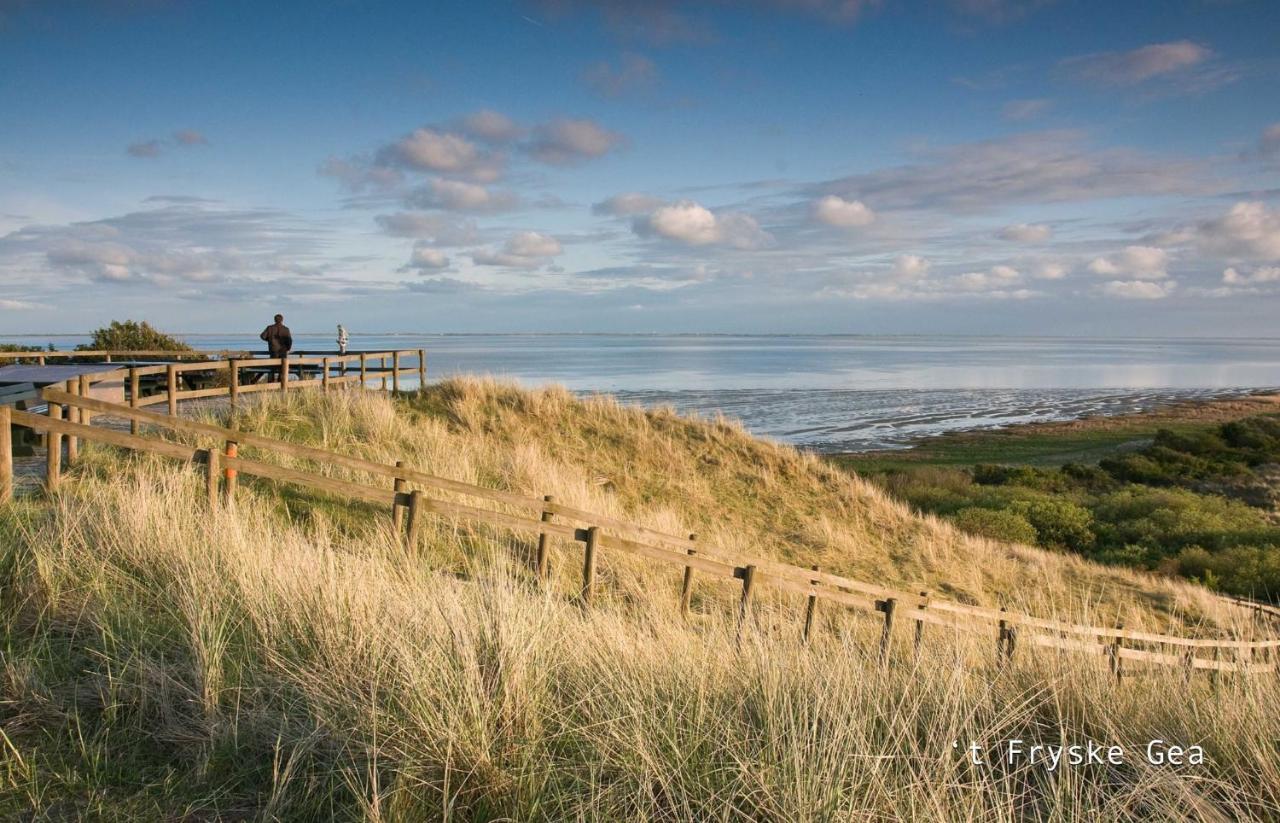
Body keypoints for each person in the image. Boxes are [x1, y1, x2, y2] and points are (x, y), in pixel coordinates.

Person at [260, 313, 293, 384]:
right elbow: (289, 340)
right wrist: (288, 348)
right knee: (283, 367)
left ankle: (271, 383)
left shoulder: (270, 328)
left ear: (274, 320)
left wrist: (269, 340)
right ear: (282, 320)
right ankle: (281, 383)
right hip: (283, 351)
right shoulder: (286, 329)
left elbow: (262, 336)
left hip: (273, 350)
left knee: (272, 367)